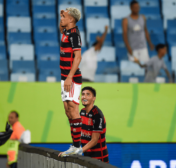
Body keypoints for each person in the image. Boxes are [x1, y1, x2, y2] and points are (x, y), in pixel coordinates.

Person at [59, 7, 83, 157]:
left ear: (71, 20)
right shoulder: (66, 31)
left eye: (64, 16)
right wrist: (64, 13)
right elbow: (62, 23)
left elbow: (78, 57)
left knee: (73, 110)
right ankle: (74, 145)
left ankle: (77, 147)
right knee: (68, 111)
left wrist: (69, 77)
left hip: (71, 78)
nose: (61, 18)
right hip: (64, 77)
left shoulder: (74, 35)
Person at [80, 87, 109, 163]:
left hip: (99, 160)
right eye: (83, 94)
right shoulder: (82, 112)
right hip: (87, 157)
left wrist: (79, 151)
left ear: (94, 98)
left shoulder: (97, 115)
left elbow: (94, 141)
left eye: (88, 94)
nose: (84, 97)